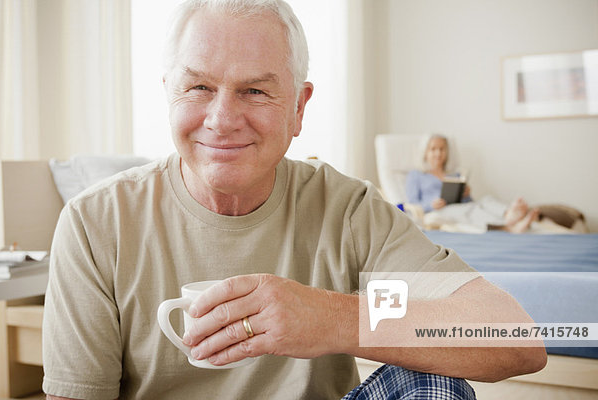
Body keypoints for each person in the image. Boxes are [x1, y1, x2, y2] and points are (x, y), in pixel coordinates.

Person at [42, 1, 546, 399]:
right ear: (170, 92)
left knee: (437, 386)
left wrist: (331, 319)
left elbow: (515, 340)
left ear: (300, 107)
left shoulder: (346, 210)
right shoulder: (94, 224)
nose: (222, 118)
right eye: (198, 86)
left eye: (255, 92)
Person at [406, 134, 540, 233]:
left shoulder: (454, 174)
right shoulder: (416, 175)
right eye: (433, 149)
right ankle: (509, 224)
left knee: (486, 200)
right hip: (439, 210)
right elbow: (411, 204)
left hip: (461, 206)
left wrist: (466, 194)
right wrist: (431, 205)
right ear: (425, 152)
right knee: (472, 210)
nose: (438, 153)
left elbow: (469, 202)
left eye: (442, 149)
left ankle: (508, 214)